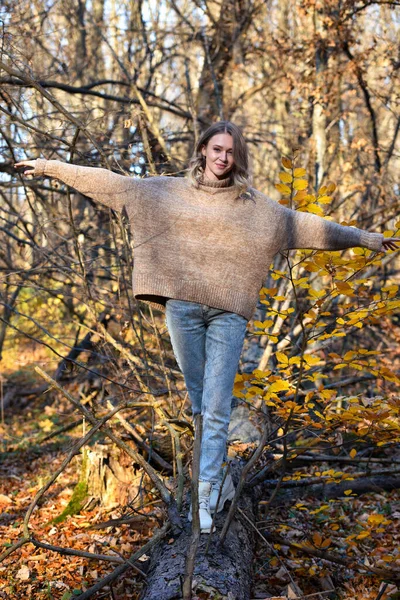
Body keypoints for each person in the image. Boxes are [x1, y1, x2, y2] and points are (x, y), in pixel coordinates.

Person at [14, 121, 399, 533]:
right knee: (199, 400)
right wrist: (50, 166)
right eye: (217, 149)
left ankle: (206, 492)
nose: (223, 157)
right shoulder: (162, 191)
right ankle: (214, 474)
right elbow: (107, 182)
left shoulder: (257, 208)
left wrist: (365, 238)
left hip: (229, 316)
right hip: (182, 310)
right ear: (202, 150)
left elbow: (308, 226)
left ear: (237, 158)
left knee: (216, 406)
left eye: (230, 152)